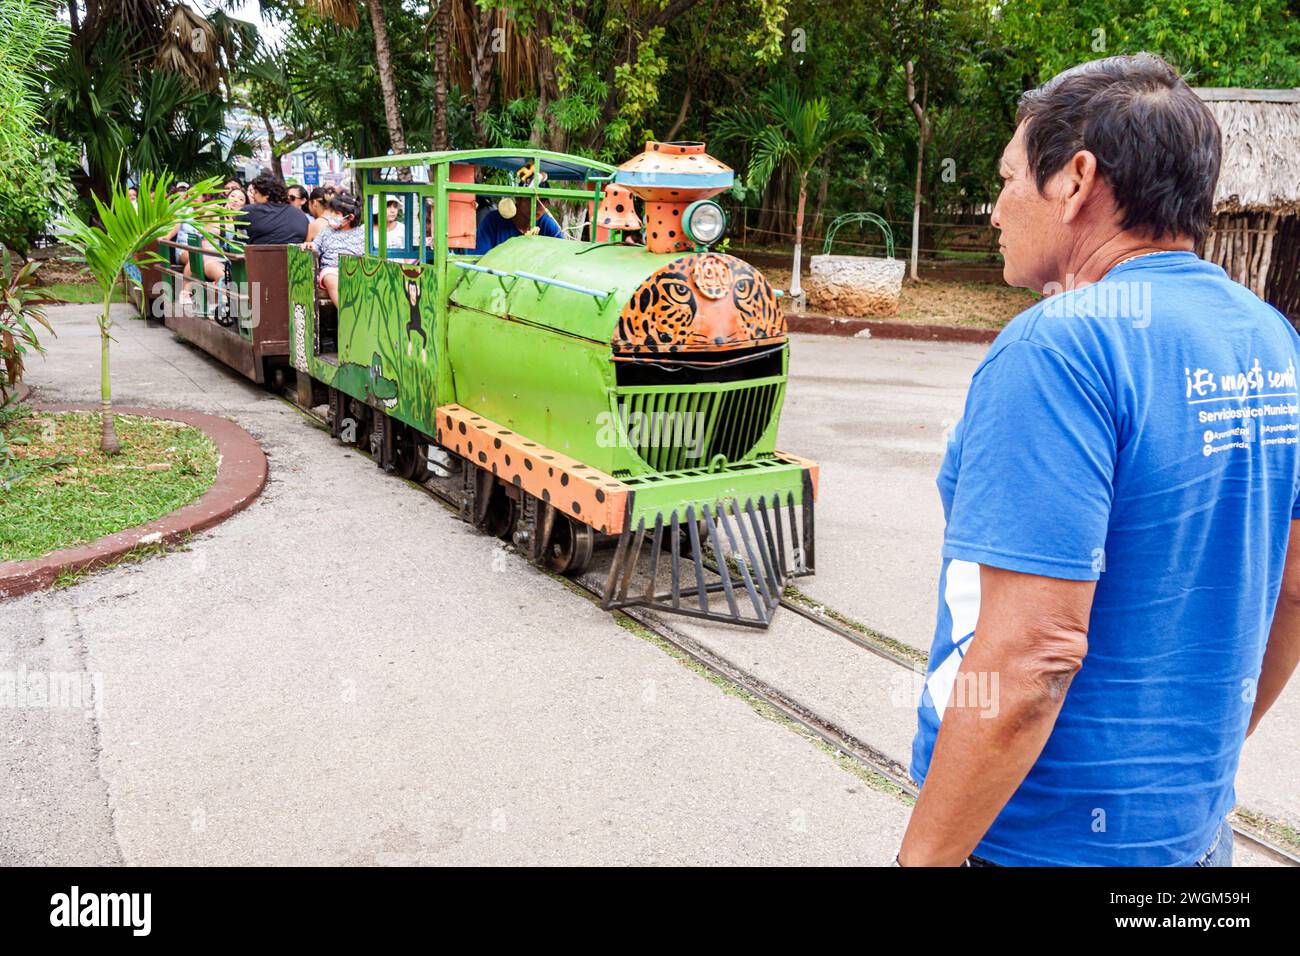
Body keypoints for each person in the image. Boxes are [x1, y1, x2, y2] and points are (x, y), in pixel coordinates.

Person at [899, 52, 1300, 868]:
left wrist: (924, 862)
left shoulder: (1062, 349)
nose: (996, 209)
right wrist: (1183, 776)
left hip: (1036, 841)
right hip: (1193, 838)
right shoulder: (1270, 339)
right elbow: (1291, 591)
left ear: (1076, 181)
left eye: (1009, 179)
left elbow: (1032, 655)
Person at [304, 191, 365, 307]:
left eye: (336, 213)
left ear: (350, 217)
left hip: (354, 269)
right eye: (331, 212)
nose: (331, 216)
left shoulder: (362, 233)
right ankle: (345, 315)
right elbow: (315, 245)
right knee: (331, 280)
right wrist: (309, 246)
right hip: (331, 269)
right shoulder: (326, 231)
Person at [471, 194, 563, 255]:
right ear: (518, 199)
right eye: (531, 199)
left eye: (543, 200)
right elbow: (478, 257)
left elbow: (562, 254)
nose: (538, 205)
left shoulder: (546, 223)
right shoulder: (493, 221)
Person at [237, 173, 308, 246]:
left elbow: (240, 242)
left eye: (256, 192)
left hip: (259, 256)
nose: (253, 196)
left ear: (267, 194)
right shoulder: (300, 215)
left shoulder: (247, 212)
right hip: (293, 256)